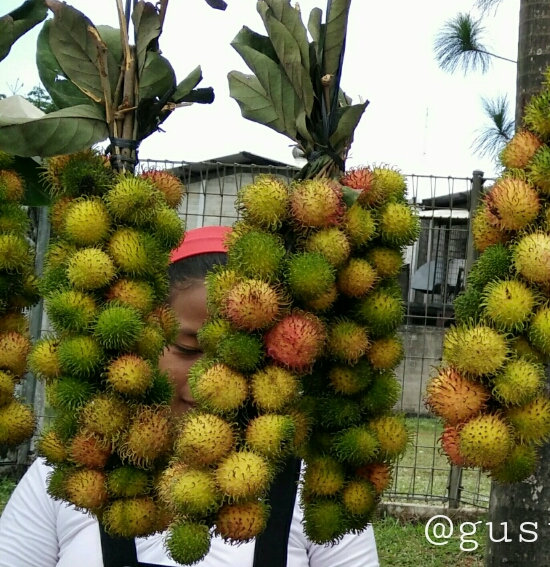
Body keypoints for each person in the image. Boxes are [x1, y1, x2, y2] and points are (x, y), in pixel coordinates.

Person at [0, 226, 380, 567]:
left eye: (235, 358)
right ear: (142, 344)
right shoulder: (74, 470)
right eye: (189, 349)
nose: (208, 384)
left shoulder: (313, 484)